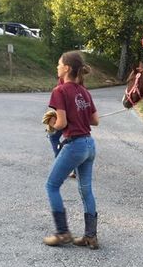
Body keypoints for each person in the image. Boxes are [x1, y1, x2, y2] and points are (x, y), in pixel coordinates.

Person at [43, 51, 100, 248]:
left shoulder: (59, 91)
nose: (57, 67)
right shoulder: (84, 91)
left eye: (59, 64)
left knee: (51, 186)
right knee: (86, 191)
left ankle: (62, 233)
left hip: (74, 145)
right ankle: (90, 236)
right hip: (89, 145)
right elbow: (95, 121)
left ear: (67, 68)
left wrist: (51, 122)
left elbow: (61, 123)